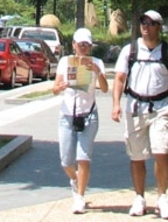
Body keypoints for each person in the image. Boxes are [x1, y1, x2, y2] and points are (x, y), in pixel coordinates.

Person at [111, 10, 168, 220]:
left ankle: (162, 197)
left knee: (161, 150)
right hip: (135, 108)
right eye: (143, 22)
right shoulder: (130, 51)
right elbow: (119, 79)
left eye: (151, 23)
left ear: (159, 27)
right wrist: (116, 104)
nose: (146, 26)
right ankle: (139, 197)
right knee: (137, 156)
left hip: (160, 108)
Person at [53, 27, 108, 214]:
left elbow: (105, 88)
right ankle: (74, 179)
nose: (83, 48)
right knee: (66, 161)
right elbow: (55, 88)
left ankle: (80, 197)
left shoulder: (97, 62)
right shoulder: (64, 62)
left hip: (89, 114)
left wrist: (98, 72)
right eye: (80, 44)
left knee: (83, 157)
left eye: (87, 45)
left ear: (91, 46)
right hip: (67, 115)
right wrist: (61, 86)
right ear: (73, 45)